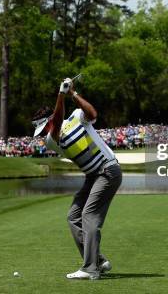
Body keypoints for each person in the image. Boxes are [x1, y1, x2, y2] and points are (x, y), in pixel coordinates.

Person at [32, 77, 122, 280]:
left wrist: (72, 94)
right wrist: (61, 96)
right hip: (94, 176)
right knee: (74, 216)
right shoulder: (51, 140)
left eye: (42, 129)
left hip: (108, 171)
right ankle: (97, 260)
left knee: (89, 216)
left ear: (46, 123)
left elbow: (92, 113)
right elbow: (56, 123)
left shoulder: (75, 116)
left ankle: (90, 269)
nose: (42, 135)